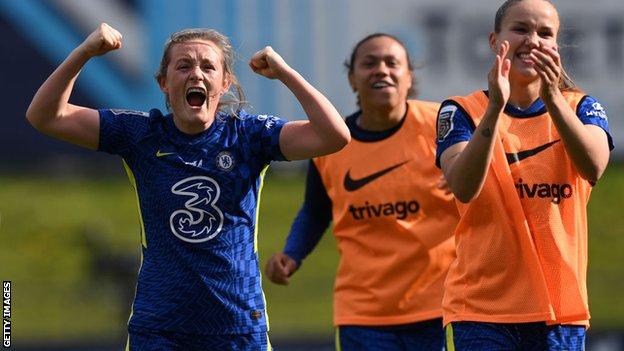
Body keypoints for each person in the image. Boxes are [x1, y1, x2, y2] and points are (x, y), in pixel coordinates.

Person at [26, 23, 350, 350]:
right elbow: (46, 116)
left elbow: (334, 135)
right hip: (159, 329)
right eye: (184, 66)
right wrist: (85, 52)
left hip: (238, 327)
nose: (196, 73)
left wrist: (286, 73)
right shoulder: (141, 135)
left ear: (224, 84)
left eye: (208, 66)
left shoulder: (249, 137)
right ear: (164, 83)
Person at [436, 0, 614, 350]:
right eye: (520, 29)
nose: (533, 40)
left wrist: (552, 99)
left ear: (556, 46)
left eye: (545, 33)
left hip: (560, 313)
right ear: (493, 40)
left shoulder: (581, 106)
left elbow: (593, 167)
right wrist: (494, 110)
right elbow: (463, 186)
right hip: (480, 311)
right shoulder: (462, 111)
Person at [265, 33, 458, 351]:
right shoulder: (332, 143)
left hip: (441, 306)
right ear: (352, 79)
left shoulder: (443, 127)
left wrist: (465, 176)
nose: (381, 70)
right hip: (363, 313)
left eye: (392, 63)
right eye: (369, 63)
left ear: (409, 77)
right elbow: (316, 209)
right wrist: (292, 253)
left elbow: (488, 179)